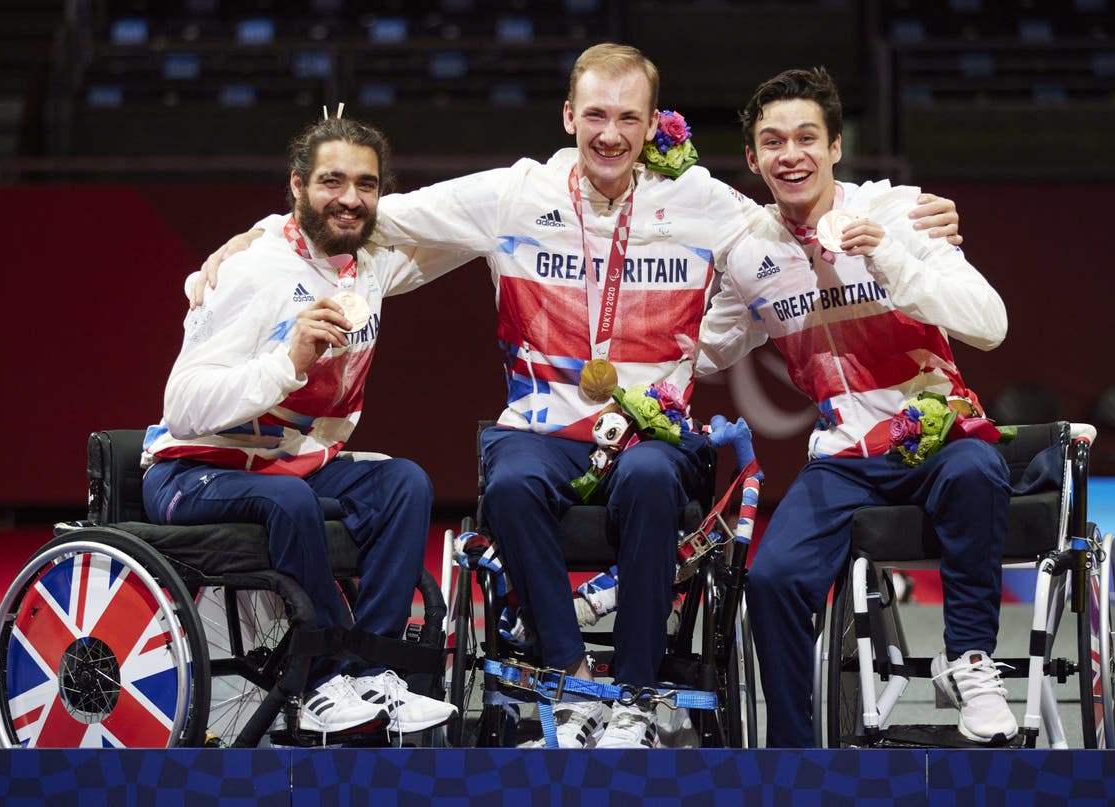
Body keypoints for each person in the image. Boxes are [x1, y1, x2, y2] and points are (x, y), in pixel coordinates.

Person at [194, 43, 965, 749]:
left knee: (655, 476)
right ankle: (568, 690)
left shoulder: (696, 200)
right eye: (594, 114)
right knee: (518, 480)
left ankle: (634, 696)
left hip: (650, 437)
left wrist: (896, 212)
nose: (609, 133)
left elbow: (800, 209)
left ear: (649, 124)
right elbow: (367, 214)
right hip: (540, 431)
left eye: (627, 117)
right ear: (570, 116)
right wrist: (261, 232)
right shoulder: (513, 196)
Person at [697, 66, 1016, 747]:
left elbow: (989, 323)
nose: (792, 154)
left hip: (933, 435)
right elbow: (702, 351)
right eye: (774, 141)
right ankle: (793, 752)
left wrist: (893, 258)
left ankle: (968, 660)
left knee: (978, 472)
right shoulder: (751, 252)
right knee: (773, 579)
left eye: (807, 137)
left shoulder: (898, 212)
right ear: (753, 158)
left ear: (836, 146)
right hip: (842, 458)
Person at [141, 117, 462, 740]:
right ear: (297, 186)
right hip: (196, 468)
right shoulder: (251, 271)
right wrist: (287, 363)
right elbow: (182, 404)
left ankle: (373, 672)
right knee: (288, 499)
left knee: (407, 483)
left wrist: (556, 181)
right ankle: (323, 679)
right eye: (331, 181)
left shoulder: (366, 265)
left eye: (366, 185)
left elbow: (474, 225)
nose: (349, 197)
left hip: (293, 464)